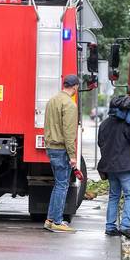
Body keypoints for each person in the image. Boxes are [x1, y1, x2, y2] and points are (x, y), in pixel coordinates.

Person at [98, 96, 130, 240]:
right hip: (124, 166)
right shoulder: (127, 125)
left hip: (109, 167)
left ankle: (110, 226)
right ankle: (126, 227)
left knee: (114, 195)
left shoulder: (104, 124)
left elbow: (100, 143)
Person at [43, 74, 80, 232]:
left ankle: (50, 219)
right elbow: (69, 133)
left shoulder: (52, 100)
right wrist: (72, 155)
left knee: (58, 184)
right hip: (61, 149)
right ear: (75, 87)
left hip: (51, 147)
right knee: (62, 185)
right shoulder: (69, 105)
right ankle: (57, 221)